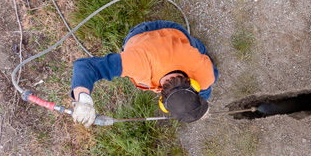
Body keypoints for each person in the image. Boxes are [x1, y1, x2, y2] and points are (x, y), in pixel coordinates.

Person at [69, 20, 217, 127]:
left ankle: (194, 44)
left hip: (176, 32)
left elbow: (87, 66)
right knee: (195, 50)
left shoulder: (205, 72)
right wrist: (83, 99)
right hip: (143, 34)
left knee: (197, 47)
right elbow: (85, 66)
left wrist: (197, 109)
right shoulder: (138, 63)